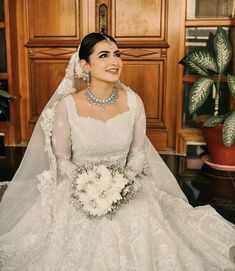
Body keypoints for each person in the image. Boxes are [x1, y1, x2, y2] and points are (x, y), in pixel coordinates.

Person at [0, 32, 234, 271]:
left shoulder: (133, 102)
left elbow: (137, 154)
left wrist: (122, 183)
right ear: (85, 65)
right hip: (78, 188)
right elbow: (62, 160)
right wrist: (87, 187)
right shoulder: (67, 106)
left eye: (117, 54)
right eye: (104, 55)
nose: (114, 62)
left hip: (126, 184)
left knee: (141, 215)